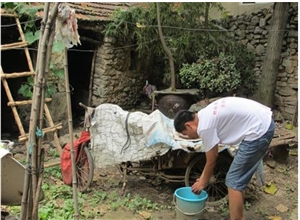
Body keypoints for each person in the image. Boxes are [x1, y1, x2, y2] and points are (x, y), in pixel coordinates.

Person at [173, 96, 275, 220]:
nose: (188, 137)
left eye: (185, 134)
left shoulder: (205, 127)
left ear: (188, 125)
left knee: (233, 180)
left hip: (259, 131)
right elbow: (213, 153)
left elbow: (211, 160)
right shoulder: (204, 114)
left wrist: (203, 183)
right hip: (262, 121)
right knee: (237, 180)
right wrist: (203, 179)